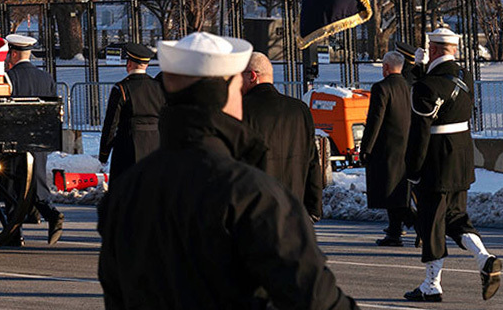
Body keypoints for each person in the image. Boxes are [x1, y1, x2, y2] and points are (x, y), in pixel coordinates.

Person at [98, 31, 356, 310]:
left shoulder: (126, 192)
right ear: (223, 94)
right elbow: (316, 299)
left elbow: (117, 294)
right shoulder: (251, 193)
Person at [403, 26, 501, 303]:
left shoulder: (427, 86)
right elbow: (438, 86)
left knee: (431, 222)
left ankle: (431, 284)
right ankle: (484, 259)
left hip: (436, 161)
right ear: (453, 49)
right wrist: (421, 69)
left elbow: (420, 131)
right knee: (457, 217)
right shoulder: (464, 76)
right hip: (461, 157)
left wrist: (413, 169)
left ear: (432, 49)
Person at [241, 51, 324, 221]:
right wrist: (314, 207)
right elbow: (312, 161)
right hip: (294, 210)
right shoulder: (299, 110)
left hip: (254, 212)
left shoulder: (239, 110)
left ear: (252, 76)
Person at [2, 33, 64, 245]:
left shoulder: (9, 78)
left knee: (10, 187)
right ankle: (50, 213)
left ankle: (13, 233)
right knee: (36, 184)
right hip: (37, 140)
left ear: (14, 53)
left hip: (13, 140)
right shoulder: (46, 78)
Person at [360, 50, 414, 246]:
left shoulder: (381, 88)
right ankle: (394, 231)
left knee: (389, 191)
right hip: (406, 145)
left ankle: (414, 225)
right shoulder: (408, 86)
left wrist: (366, 147)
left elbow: (375, 120)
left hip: (386, 148)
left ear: (386, 67)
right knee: (397, 190)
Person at [97, 42, 166, 182]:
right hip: (155, 144)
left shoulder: (121, 88)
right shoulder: (158, 87)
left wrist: (104, 153)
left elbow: (111, 123)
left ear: (129, 64)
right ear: (146, 65)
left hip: (127, 145)